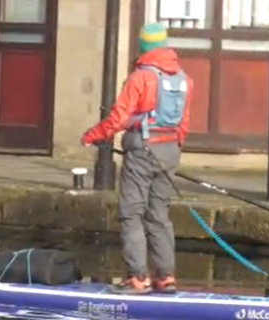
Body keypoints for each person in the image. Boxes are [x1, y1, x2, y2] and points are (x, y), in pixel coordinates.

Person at [81, 22, 193, 294]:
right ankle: (166, 278)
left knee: (131, 212)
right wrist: (173, 147)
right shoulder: (184, 79)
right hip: (170, 152)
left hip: (142, 150)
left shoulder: (140, 77)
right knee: (159, 214)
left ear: (143, 46)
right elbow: (184, 123)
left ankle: (137, 278)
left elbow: (118, 118)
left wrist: (93, 136)